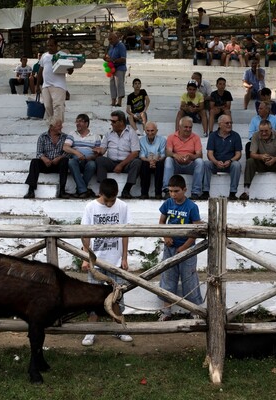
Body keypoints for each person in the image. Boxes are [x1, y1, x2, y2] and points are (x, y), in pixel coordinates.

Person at [81, 178, 133, 346]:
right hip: (96, 261)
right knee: (93, 297)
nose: (110, 204)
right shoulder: (91, 207)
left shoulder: (123, 206)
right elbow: (85, 234)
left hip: (115, 261)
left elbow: (125, 233)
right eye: (107, 201)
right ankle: (91, 331)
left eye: (113, 201)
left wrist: (124, 257)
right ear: (100, 194)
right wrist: (85, 258)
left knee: (117, 296)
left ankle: (119, 329)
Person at [157, 174, 204, 321]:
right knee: (168, 278)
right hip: (170, 247)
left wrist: (184, 247)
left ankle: (194, 310)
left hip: (188, 249)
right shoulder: (168, 203)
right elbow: (161, 222)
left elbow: (196, 230)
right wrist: (166, 237)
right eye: (170, 191)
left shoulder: (192, 207)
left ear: (185, 190)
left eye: (176, 191)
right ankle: (166, 311)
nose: (173, 194)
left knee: (189, 278)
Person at [241, 120, 276, 201]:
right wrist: (261, 156)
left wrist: (275, 159)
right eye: (261, 131)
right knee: (250, 161)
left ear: (271, 129)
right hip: (262, 163)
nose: (263, 133)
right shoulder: (255, 135)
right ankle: (246, 192)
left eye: (266, 131)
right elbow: (252, 154)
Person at [95, 110, 141, 199]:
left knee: (137, 162)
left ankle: (127, 190)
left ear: (121, 122)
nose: (111, 124)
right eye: (111, 121)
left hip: (126, 163)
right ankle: (103, 189)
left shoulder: (131, 133)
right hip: (111, 162)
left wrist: (121, 165)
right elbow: (103, 149)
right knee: (100, 160)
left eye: (114, 121)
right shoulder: (109, 133)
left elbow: (135, 153)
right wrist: (99, 151)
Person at [23, 119, 71, 199]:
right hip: (46, 164)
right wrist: (44, 158)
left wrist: (59, 158)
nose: (61, 127)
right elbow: (39, 153)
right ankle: (31, 190)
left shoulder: (65, 137)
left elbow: (68, 152)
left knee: (64, 160)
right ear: (51, 126)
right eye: (59, 125)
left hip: (58, 165)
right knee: (34, 162)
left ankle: (62, 191)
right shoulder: (42, 137)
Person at [163, 116, 204, 200]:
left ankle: (195, 193)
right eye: (185, 127)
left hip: (190, 164)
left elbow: (199, 155)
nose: (188, 129)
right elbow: (168, 152)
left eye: (190, 127)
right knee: (168, 160)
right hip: (176, 164)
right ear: (179, 127)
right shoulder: (172, 137)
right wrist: (175, 155)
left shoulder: (195, 137)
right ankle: (167, 190)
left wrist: (191, 156)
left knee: (200, 162)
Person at [203, 115, 242, 200]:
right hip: (216, 164)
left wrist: (231, 161)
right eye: (227, 123)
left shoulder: (236, 136)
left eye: (230, 123)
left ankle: (232, 192)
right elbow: (209, 153)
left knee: (237, 165)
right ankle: (205, 192)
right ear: (220, 124)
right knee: (206, 164)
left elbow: (238, 154)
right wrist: (216, 162)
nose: (229, 125)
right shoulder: (213, 136)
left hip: (230, 164)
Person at [38, 37, 74, 123]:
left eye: (52, 45)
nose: (50, 47)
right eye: (48, 45)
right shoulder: (44, 56)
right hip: (46, 85)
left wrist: (70, 70)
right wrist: (37, 85)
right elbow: (40, 70)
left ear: (56, 46)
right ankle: (51, 124)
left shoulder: (62, 55)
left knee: (58, 106)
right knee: (47, 106)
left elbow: (70, 70)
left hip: (59, 85)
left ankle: (58, 126)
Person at [139, 121, 166, 199]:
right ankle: (144, 193)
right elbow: (142, 156)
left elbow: (163, 155)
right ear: (145, 130)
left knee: (160, 164)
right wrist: (150, 161)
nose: (150, 133)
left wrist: (154, 161)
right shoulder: (141, 140)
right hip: (147, 161)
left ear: (156, 131)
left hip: (157, 161)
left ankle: (158, 193)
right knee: (143, 164)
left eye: (152, 130)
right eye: (148, 131)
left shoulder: (162, 140)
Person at [105, 31, 127, 107]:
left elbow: (123, 59)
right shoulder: (111, 46)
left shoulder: (121, 46)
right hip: (112, 68)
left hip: (120, 68)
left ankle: (119, 102)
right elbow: (108, 55)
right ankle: (113, 101)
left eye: (111, 39)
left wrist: (113, 60)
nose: (110, 41)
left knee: (119, 84)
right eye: (109, 39)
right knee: (112, 84)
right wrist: (106, 58)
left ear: (116, 38)